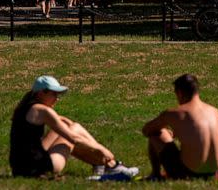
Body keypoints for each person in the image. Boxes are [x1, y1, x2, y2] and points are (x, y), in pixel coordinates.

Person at [10, 75, 139, 179]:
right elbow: (74, 139)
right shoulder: (43, 110)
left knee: (69, 126)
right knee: (74, 130)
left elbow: (61, 120)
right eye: (54, 94)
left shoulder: (26, 107)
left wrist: (69, 124)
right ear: (41, 93)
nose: (57, 99)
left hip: (20, 168)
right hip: (39, 167)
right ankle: (111, 164)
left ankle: (101, 164)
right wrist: (102, 150)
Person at [142, 74, 218, 181]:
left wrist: (167, 130)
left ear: (179, 93)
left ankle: (155, 174)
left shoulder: (176, 113)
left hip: (189, 174)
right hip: (215, 173)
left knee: (156, 133)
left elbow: (146, 130)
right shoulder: (215, 111)